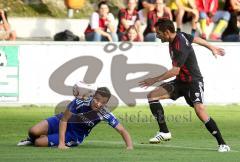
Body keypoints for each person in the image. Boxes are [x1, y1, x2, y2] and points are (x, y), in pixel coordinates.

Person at [139, 18, 230, 152]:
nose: (157, 36)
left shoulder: (179, 46)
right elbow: (196, 39)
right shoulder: (180, 35)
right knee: (152, 96)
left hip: (193, 82)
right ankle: (164, 132)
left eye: (159, 33)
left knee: (200, 111)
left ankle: (223, 144)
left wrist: (154, 80)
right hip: (180, 82)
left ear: (167, 32)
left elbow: (175, 70)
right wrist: (212, 47)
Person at [17, 87, 133, 150]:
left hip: (73, 135)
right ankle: (31, 139)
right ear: (93, 96)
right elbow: (64, 120)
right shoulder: (80, 101)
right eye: (97, 99)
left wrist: (129, 146)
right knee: (33, 131)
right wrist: (61, 144)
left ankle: (45, 139)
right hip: (61, 120)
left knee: (38, 142)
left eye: (102, 102)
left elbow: (122, 130)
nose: (98, 104)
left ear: (106, 103)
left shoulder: (104, 113)